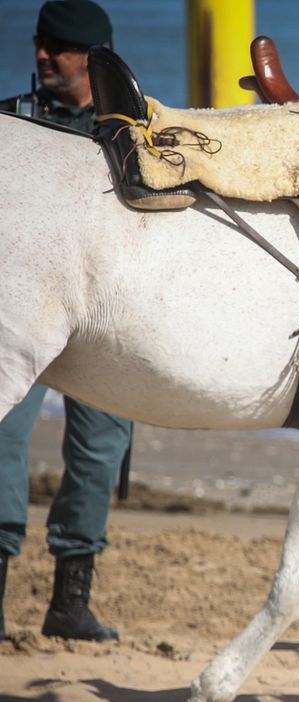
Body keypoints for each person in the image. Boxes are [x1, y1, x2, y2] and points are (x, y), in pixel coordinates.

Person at [0, 0, 126, 643]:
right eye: (40, 43)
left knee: (102, 447)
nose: (43, 55)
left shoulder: (132, 132)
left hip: (104, 316)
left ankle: (70, 604)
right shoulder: (10, 124)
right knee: (2, 438)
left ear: (93, 57)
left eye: (60, 47)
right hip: (20, 312)